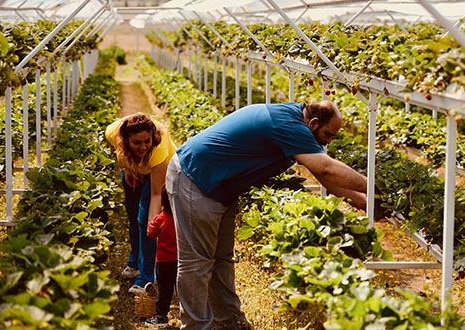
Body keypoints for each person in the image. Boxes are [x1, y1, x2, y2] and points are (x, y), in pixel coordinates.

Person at [165, 100, 368, 329]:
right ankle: (195, 326)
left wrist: (364, 201)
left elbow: (323, 176)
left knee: (221, 259)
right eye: (328, 134)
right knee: (197, 263)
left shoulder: (295, 118)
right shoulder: (288, 125)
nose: (329, 141)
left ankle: (230, 322)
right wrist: (373, 186)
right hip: (195, 178)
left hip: (218, 184)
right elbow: (326, 168)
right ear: (313, 123)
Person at [105, 112, 177, 295]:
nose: (143, 146)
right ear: (124, 140)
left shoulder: (158, 148)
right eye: (137, 143)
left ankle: (146, 276)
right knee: (132, 216)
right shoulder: (112, 132)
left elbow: (155, 195)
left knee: (144, 217)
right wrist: (127, 167)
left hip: (160, 171)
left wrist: (153, 226)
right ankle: (135, 261)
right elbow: (114, 148)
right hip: (136, 168)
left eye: (147, 141)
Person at [145, 187, 177, 328]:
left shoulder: (161, 219)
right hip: (181, 260)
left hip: (164, 261)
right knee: (182, 289)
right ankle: (189, 314)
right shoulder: (181, 220)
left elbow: (150, 234)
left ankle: (161, 317)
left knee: (165, 290)